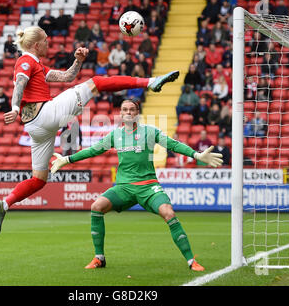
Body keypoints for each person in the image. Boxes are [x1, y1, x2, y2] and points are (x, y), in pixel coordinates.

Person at [0, 26, 181, 235]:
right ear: (36, 44)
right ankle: (150, 82)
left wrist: (78, 61)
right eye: (45, 40)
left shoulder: (37, 65)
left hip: (36, 128)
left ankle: (5, 204)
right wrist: (15, 107)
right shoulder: (25, 60)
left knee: (39, 179)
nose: (48, 43)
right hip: (45, 114)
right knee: (96, 83)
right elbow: (20, 82)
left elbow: (67, 77)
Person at [50, 99, 223, 271]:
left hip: (148, 186)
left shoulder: (149, 132)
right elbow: (93, 150)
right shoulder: (115, 135)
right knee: (96, 206)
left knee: (168, 213)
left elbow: (173, 144)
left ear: (137, 113)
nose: (128, 112)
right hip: (124, 187)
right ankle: (99, 258)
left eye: (132, 109)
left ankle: (191, 261)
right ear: (121, 114)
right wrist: (67, 159)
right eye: (125, 109)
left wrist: (196, 155)